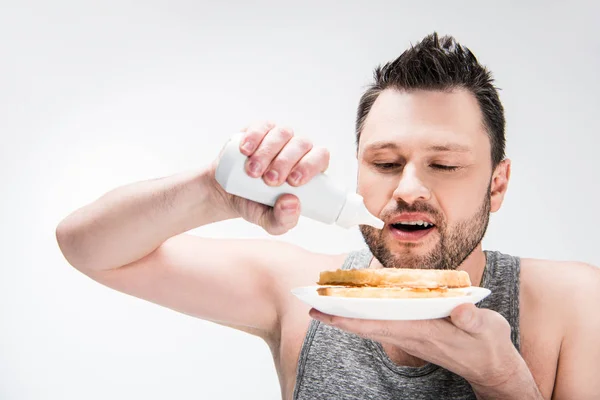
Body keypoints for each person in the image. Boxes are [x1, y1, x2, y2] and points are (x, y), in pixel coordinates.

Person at [55, 32, 600, 400]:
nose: (409, 188)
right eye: (385, 162)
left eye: (445, 164)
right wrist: (217, 192)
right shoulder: (301, 293)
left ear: (496, 183)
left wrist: (502, 380)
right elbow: (88, 247)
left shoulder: (575, 304)